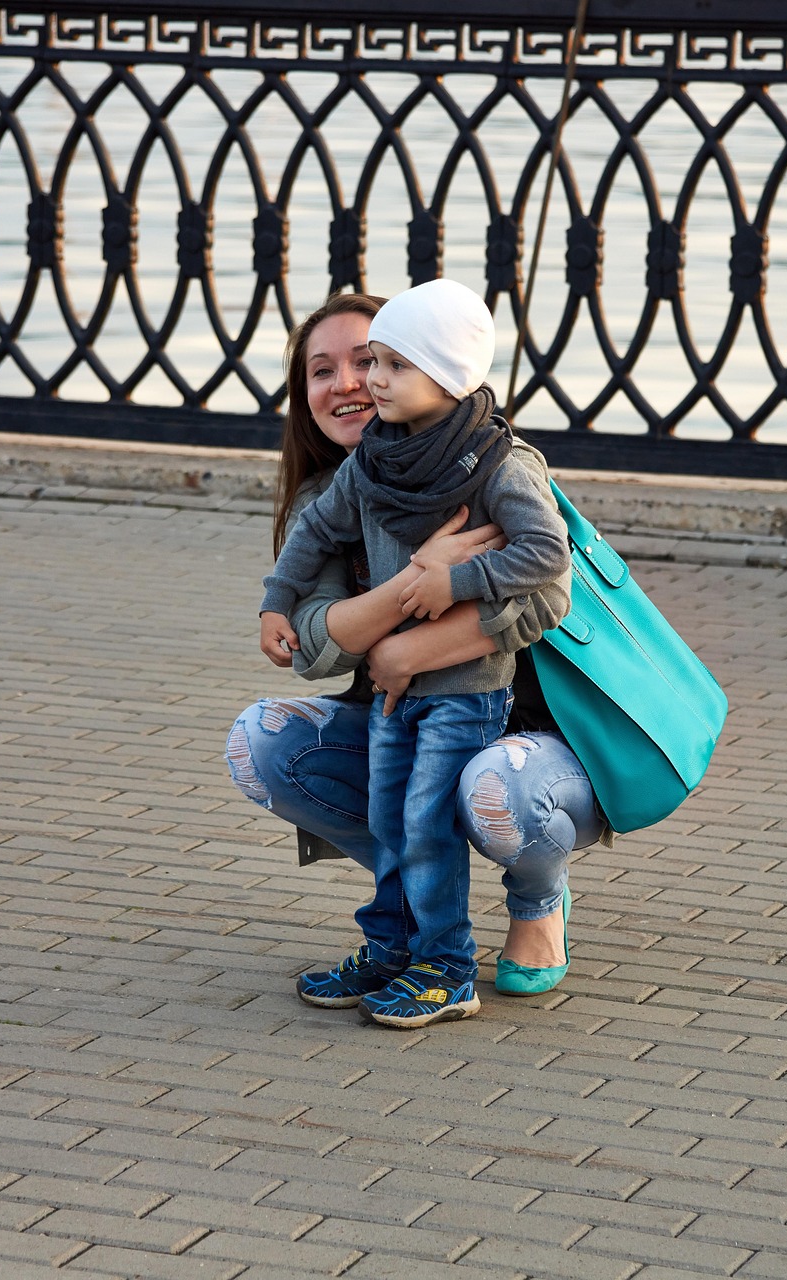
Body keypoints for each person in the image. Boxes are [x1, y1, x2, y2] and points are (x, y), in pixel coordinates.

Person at [226, 290, 604, 1020]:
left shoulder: (494, 463)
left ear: (439, 371)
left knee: (443, 811)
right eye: (323, 369)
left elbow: (549, 580)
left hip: (500, 718)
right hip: (399, 701)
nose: (358, 382)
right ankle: (396, 950)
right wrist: (298, 600)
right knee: (395, 817)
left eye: (379, 362)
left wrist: (446, 596)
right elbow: (313, 632)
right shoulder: (362, 471)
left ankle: (458, 957)